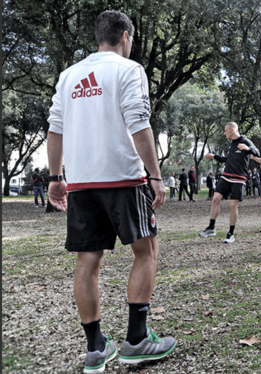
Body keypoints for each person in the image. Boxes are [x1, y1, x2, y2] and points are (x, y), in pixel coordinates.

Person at [46, 10, 176, 372]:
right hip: (122, 177)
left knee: (88, 261)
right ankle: (136, 339)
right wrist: (155, 174)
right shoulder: (128, 70)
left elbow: (55, 129)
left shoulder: (68, 76)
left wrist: (56, 176)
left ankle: (96, 349)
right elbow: (138, 121)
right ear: (125, 37)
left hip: (82, 181)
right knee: (146, 250)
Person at [199, 122, 260, 243]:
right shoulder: (231, 144)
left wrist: (247, 149)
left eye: (225, 131)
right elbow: (227, 159)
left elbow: (257, 153)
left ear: (232, 130)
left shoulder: (245, 141)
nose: (224, 133)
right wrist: (214, 156)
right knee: (215, 198)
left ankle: (231, 233)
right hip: (226, 176)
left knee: (233, 205)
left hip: (239, 178)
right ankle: (211, 228)